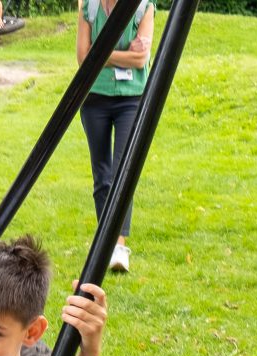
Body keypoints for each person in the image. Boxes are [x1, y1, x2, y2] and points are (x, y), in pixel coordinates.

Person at [77, 0, 155, 273]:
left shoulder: (144, 6)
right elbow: (83, 57)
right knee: (102, 175)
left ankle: (118, 246)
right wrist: (121, 53)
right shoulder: (89, 7)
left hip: (131, 100)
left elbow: (141, 60)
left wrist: (102, 53)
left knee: (123, 170)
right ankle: (106, 243)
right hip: (94, 99)